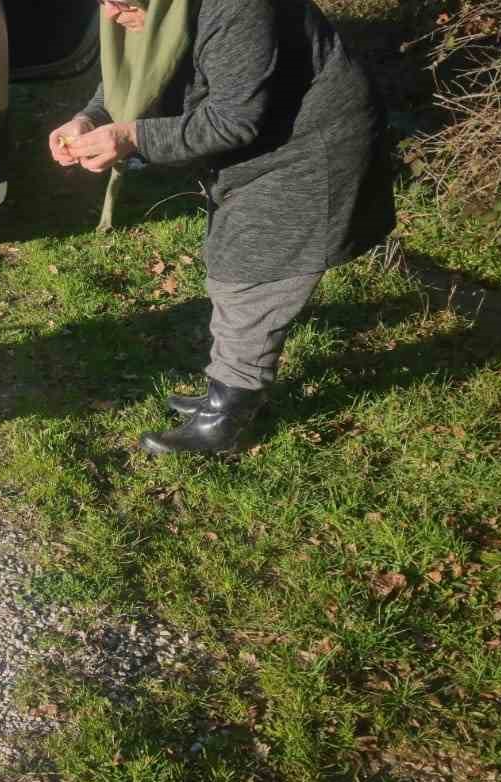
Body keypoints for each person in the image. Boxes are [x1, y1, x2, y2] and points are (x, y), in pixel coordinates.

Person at [49, 0, 396, 455]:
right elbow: (142, 73)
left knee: (253, 273)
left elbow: (234, 118)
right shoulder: (162, 11)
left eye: (126, 3)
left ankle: (227, 416)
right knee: (233, 264)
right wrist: (91, 118)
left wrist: (132, 137)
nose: (114, 16)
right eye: (104, 2)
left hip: (309, 144)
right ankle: (229, 389)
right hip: (262, 145)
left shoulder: (238, 7)